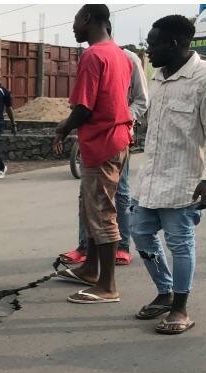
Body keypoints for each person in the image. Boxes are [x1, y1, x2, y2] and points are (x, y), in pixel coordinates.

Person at [131, 15, 206, 334]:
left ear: (173, 43)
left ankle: (181, 308)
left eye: (153, 43)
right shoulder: (157, 77)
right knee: (141, 233)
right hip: (151, 178)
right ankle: (165, 291)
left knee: (180, 243)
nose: (149, 50)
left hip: (186, 180)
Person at [52, 5, 133, 305]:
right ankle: (90, 269)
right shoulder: (118, 54)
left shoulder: (94, 55)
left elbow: (84, 108)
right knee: (92, 208)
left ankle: (107, 285)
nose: (73, 27)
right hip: (113, 140)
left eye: (74, 21)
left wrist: (62, 127)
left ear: (87, 20)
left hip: (103, 142)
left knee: (101, 213)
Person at [58, 36, 150, 267]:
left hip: (116, 135)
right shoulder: (92, 57)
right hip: (94, 135)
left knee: (118, 193)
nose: (74, 28)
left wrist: (119, 117)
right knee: (88, 196)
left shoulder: (127, 58)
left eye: (78, 21)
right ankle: (86, 249)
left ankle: (121, 247)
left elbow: (141, 100)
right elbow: (87, 99)